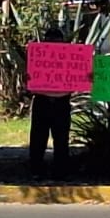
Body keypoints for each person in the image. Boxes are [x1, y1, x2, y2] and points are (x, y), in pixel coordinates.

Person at [27, 27, 73, 178]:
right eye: (50, 42)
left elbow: (79, 76)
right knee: (38, 138)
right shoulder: (38, 56)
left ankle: (60, 170)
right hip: (42, 100)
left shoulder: (70, 57)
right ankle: (36, 169)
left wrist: (86, 78)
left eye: (57, 42)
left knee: (61, 139)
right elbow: (28, 78)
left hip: (62, 102)